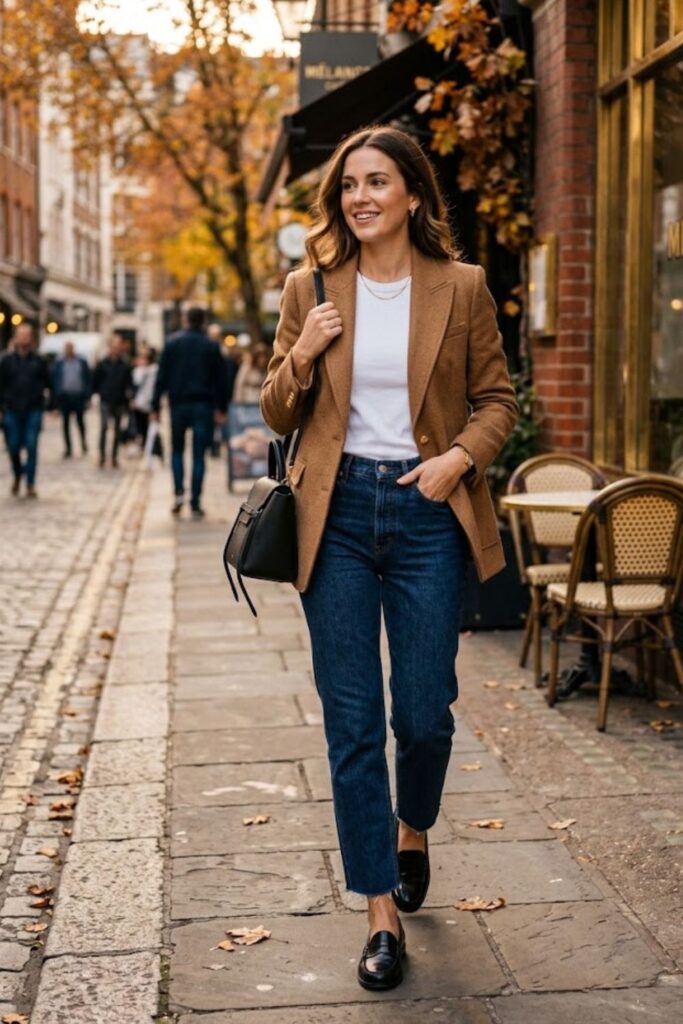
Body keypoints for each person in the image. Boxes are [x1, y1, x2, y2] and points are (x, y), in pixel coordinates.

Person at [260, 126, 518, 991]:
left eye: (377, 182)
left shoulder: (464, 287)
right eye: (348, 185)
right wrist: (300, 353)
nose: (359, 197)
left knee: (423, 714)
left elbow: (497, 399)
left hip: (424, 513)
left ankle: (413, 830)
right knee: (353, 725)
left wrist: (457, 460)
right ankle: (378, 912)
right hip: (332, 519)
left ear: (412, 193)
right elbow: (274, 411)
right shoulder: (311, 287)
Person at [152, 306, 228, 518]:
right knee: (198, 454)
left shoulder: (172, 343)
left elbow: (161, 377)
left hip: (178, 404)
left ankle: (178, 493)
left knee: (176, 450)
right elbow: (222, 380)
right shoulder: (211, 346)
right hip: (203, 405)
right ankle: (195, 500)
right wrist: (221, 408)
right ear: (203, 321)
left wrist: (155, 405)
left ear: (186, 319)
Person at [0, 323, 51, 497]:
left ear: (31, 338)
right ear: (15, 337)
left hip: (33, 409)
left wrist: (50, 405)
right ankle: (17, 475)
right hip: (12, 409)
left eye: (27, 335)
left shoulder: (39, 361)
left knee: (31, 446)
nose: (24, 338)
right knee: (13, 446)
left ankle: (30, 483)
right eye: (21, 335)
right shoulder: (6, 361)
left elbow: (48, 383)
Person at [92, 336, 134, 468]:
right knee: (104, 428)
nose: (116, 349)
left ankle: (114, 457)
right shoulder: (102, 363)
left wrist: (131, 397)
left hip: (120, 400)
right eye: (113, 346)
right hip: (105, 399)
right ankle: (102, 456)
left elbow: (129, 383)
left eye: (118, 347)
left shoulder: (125, 364)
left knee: (117, 430)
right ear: (110, 347)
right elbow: (95, 381)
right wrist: (95, 394)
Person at [52, 340, 92, 457]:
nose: (69, 350)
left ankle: (83, 443)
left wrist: (87, 396)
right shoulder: (59, 363)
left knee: (80, 422)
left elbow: (87, 378)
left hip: (78, 396)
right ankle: (68, 448)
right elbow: (55, 379)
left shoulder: (81, 362)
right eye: (67, 348)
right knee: (65, 424)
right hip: (65, 397)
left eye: (71, 347)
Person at [131, 346, 158, 447]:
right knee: (140, 426)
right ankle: (143, 446)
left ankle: (150, 449)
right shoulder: (137, 371)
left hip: (150, 403)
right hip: (139, 403)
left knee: (150, 428)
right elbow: (134, 386)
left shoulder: (155, 370)